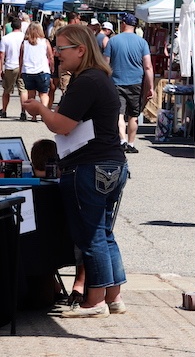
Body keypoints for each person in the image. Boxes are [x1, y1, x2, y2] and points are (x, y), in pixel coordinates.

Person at [23, 24, 129, 318]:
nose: (56, 54)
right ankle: (113, 297)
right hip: (110, 163)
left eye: (61, 48)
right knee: (104, 232)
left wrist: (40, 110)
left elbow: (61, 125)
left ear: (81, 50)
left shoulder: (88, 80)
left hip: (92, 165)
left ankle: (94, 301)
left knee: (91, 233)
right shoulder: (99, 78)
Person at [103, 13, 153, 154]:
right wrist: (151, 87)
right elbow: (148, 66)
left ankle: (122, 140)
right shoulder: (142, 42)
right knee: (133, 115)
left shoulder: (113, 41)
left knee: (119, 114)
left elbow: (105, 63)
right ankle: (131, 143)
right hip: (136, 82)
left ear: (124, 23)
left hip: (116, 81)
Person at [19, 22, 54, 122]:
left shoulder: (24, 43)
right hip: (43, 70)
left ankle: (33, 116)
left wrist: (21, 70)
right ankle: (44, 115)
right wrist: (52, 68)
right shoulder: (45, 42)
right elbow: (50, 56)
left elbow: (20, 58)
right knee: (43, 94)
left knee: (31, 95)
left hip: (28, 71)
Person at [0, 14, 26, 119]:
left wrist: (1, 69)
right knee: (23, 90)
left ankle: (4, 110)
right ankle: (23, 112)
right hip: (22, 66)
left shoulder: (5, 38)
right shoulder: (25, 37)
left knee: (7, 90)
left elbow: (2, 55)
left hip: (10, 66)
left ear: (11, 26)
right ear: (20, 26)